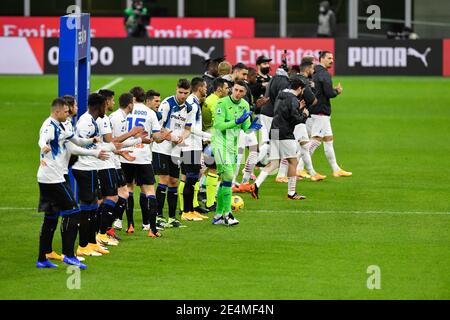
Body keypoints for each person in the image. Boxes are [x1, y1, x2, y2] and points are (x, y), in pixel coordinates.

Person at [36, 98, 93, 269]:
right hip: (52, 178)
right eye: (66, 111)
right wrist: (43, 146)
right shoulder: (49, 126)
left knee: (51, 217)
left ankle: (42, 258)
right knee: (73, 211)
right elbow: (42, 139)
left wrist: (93, 142)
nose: (68, 114)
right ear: (57, 111)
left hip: (51, 176)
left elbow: (76, 142)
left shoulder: (61, 125)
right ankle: (69, 255)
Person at [211, 80, 262, 226]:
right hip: (219, 144)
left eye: (241, 91)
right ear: (232, 89)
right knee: (227, 176)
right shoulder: (221, 104)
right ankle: (228, 214)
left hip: (233, 146)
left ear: (245, 93)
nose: (237, 93)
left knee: (226, 181)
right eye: (236, 90)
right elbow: (219, 125)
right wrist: (236, 120)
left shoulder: (245, 105)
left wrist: (252, 127)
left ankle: (218, 215)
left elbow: (245, 129)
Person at [121, 87, 169, 237]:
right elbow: (157, 138)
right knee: (149, 191)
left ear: (132, 98)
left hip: (125, 156)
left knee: (128, 189)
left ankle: (129, 225)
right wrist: (163, 135)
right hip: (143, 157)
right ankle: (152, 229)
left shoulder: (125, 111)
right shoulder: (150, 113)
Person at [251, 76, 309, 200]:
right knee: (293, 162)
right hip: (285, 133)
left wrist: (298, 108)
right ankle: (291, 193)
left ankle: (256, 185)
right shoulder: (293, 99)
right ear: (299, 88)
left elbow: (284, 112)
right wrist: (304, 114)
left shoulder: (280, 96)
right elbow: (294, 119)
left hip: (275, 131)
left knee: (274, 163)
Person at [152, 79, 194, 228]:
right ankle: (158, 216)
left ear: (189, 92)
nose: (182, 96)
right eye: (180, 92)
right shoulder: (167, 104)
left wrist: (183, 136)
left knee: (174, 181)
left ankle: (172, 217)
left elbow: (188, 128)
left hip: (176, 149)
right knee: (163, 180)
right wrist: (171, 137)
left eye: (186, 93)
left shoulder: (189, 108)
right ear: (176, 89)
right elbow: (158, 127)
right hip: (162, 147)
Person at [309, 51, 352, 177]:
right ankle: (299, 166)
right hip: (321, 111)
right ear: (322, 59)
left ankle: (336, 169)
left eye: (332, 58)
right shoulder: (324, 74)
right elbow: (329, 93)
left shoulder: (314, 72)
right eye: (329, 58)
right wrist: (337, 91)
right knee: (316, 141)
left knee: (328, 140)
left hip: (316, 110)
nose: (332, 60)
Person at [178, 77, 211, 220]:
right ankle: (186, 211)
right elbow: (189, 128)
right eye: (205, 87)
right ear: (200, 88)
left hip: (194, 145)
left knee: (191, 178)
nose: (206, 89)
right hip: (189, 146)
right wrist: (206, 135)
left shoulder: (195, 102)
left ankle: (190, 209)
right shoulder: (192, 103)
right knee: (191, 178)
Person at [293, 61, 326, 182]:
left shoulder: (293, 78)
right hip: (298, 117)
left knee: (304, 146)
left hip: (294, 117)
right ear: (308, 69)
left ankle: (310, 172)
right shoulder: (304, 82)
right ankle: (283, 174)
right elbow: (313, 100)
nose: (314, 70)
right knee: (293, 147)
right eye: (312, 68)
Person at [201, 78, 229, 211]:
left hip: (205, 136)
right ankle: (210, 202)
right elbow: (216, 123)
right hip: (212, 139)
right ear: (219, 89)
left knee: (204, 169)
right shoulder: (217, 102)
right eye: (226, 88)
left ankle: (203, 196)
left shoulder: (209, 99)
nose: (228, 90)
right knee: (213, 170)